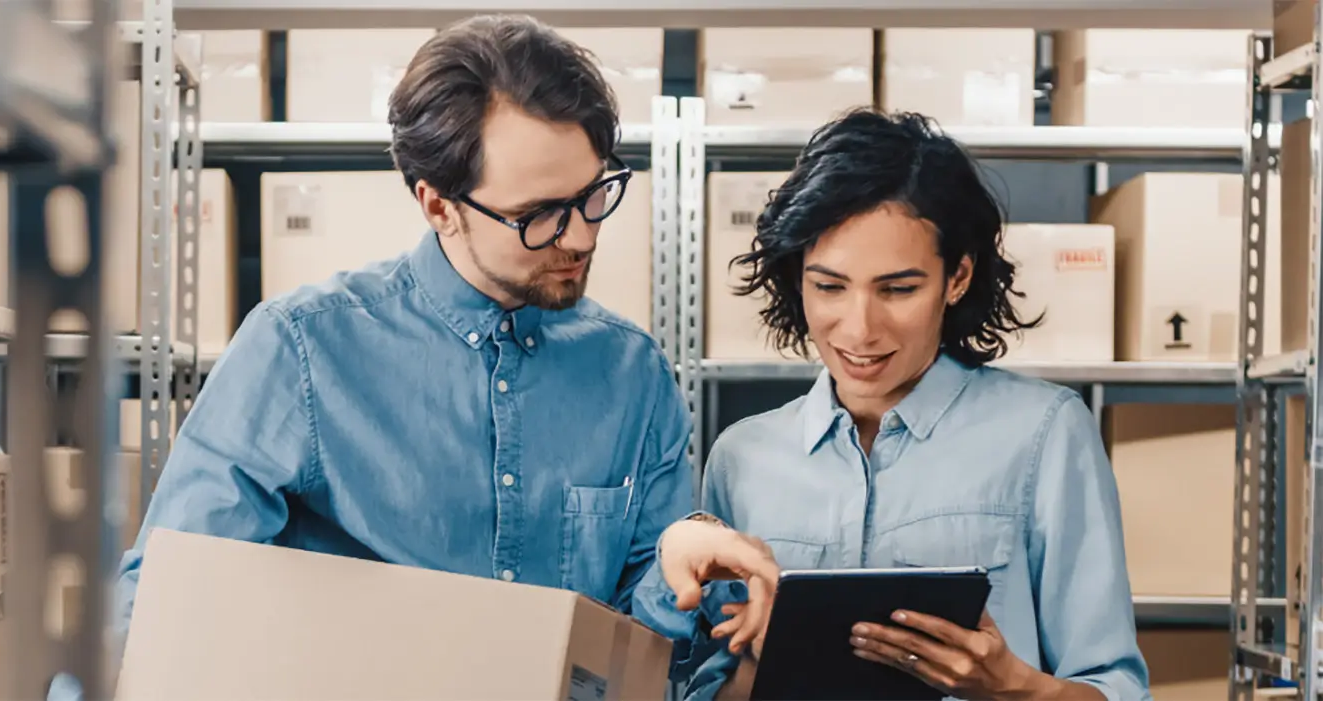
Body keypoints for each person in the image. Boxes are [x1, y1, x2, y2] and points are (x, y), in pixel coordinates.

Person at [98, 10, 777, 678]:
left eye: (594, 193)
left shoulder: (634, 375)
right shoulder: (300, 351)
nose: (581, 236)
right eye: (537, 215)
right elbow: (163, 603)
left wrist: (673, 567)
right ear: (438, 205)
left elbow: (639, 652)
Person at [632, 108, 1151, 701]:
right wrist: (758, 659)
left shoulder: (1045, 434)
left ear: (956, 277)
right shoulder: (741, 457)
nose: (860, 329)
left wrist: (1014, 688)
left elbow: (1116, 688)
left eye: (898, 289)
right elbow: (704, 687)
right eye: (828, 286)